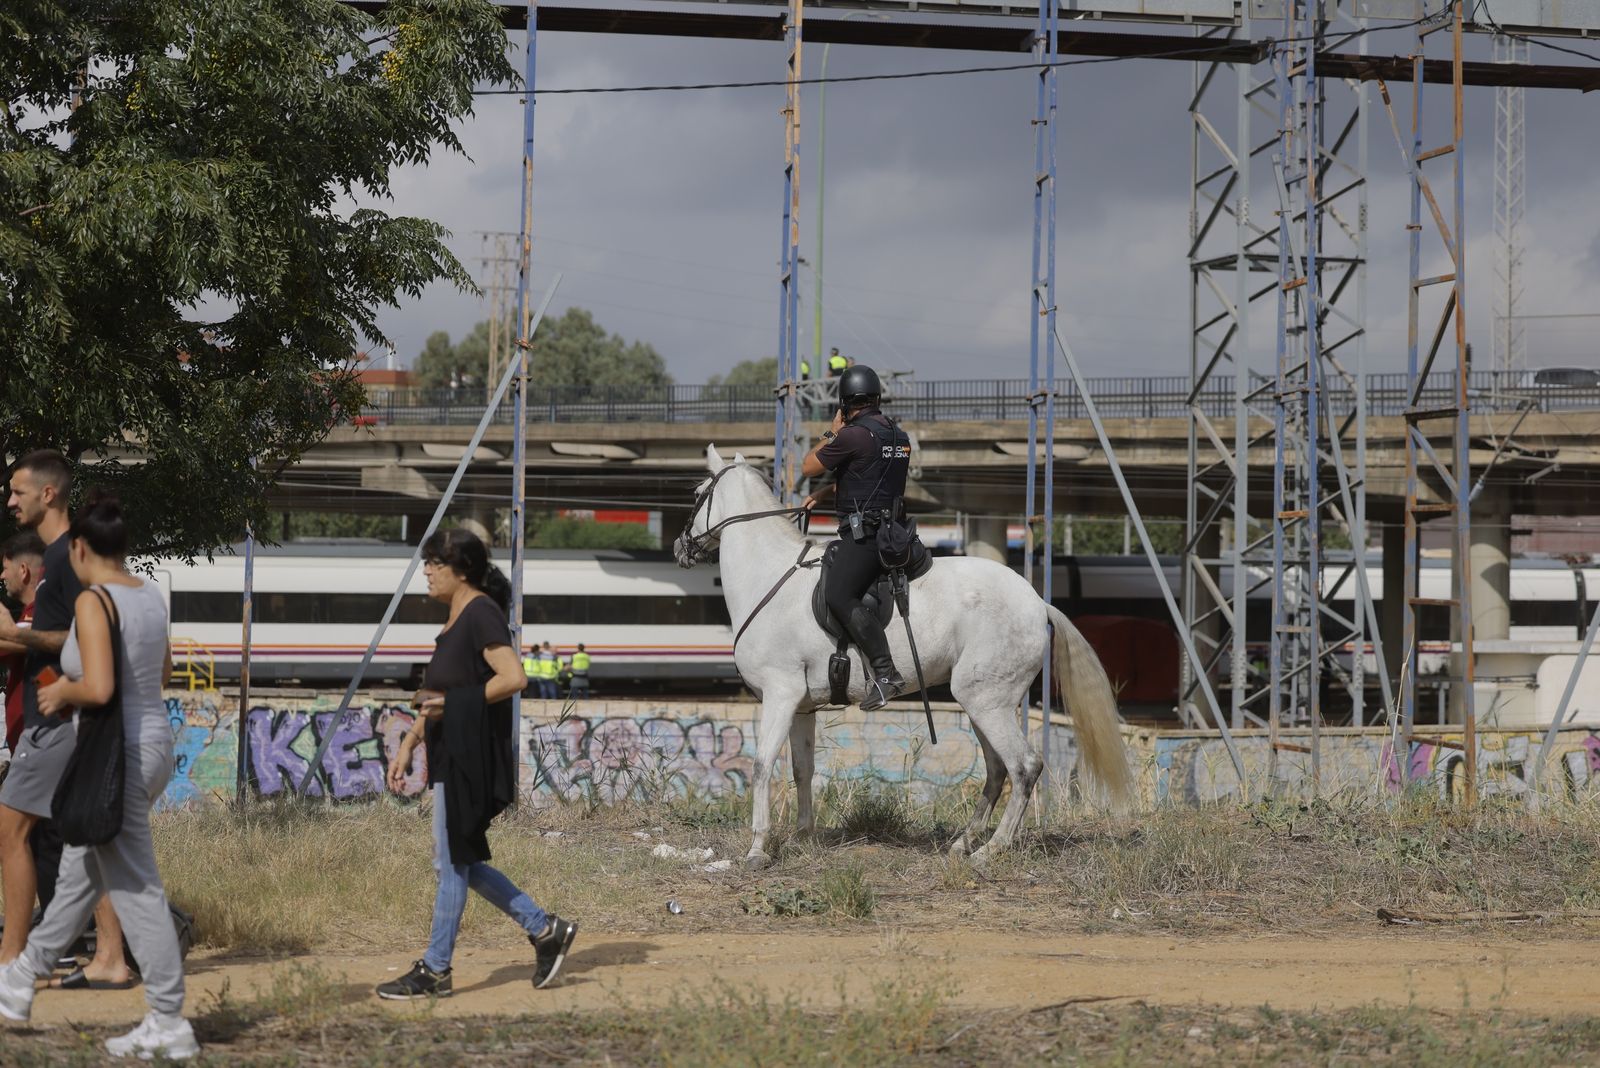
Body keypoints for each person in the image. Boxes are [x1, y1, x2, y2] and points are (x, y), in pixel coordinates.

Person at [0, 490, 197, 1059]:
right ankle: (19, 983)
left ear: (81, 549)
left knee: (137, 887)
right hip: (150, 743)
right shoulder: (150, 597)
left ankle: (168, 1018)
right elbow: (159, 673)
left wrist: (62, 691)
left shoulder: (93, 601)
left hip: (118, 752)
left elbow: (101, 689)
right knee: (81, 871)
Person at [378, 528, 576, 999]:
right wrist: (409, 743)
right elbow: (439, 698)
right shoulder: (453, 621)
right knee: (458, 859)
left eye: (434, 563)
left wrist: (451, 705)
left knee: (451, 863)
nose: (425, 571)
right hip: (450, 754)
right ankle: (544, 928)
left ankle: (435, 970)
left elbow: (514, 677)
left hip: (470, 757)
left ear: (460, 570)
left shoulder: (481, 614)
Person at [0, 451, 126, 980]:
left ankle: (16, 958)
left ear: (47, 494)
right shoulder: (58, 557)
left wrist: (14, 635)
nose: (9, 501)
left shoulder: (67, 557)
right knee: (85, 842)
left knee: (10, 831)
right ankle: (111, 957)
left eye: (17, 491)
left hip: (56, 719)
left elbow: (82, 636)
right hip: (57, 716)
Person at [801, 365, 913, 712]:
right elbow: (871, 478)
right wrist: (825, 494)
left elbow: (806, 466)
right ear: (876, 397)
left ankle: (885, 672)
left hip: (866, 538)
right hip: (896, 530)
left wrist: (831, 433)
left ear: (846, 404)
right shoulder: (898, 436)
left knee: (838, 592)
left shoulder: (851, 435)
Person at [0, 533, 46, 754]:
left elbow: (20, 641)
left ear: (23, 570)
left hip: (38, 747)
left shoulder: (42, 612)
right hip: (30, 747)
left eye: (5, 568)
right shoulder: (29, 614)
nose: (2, 576)